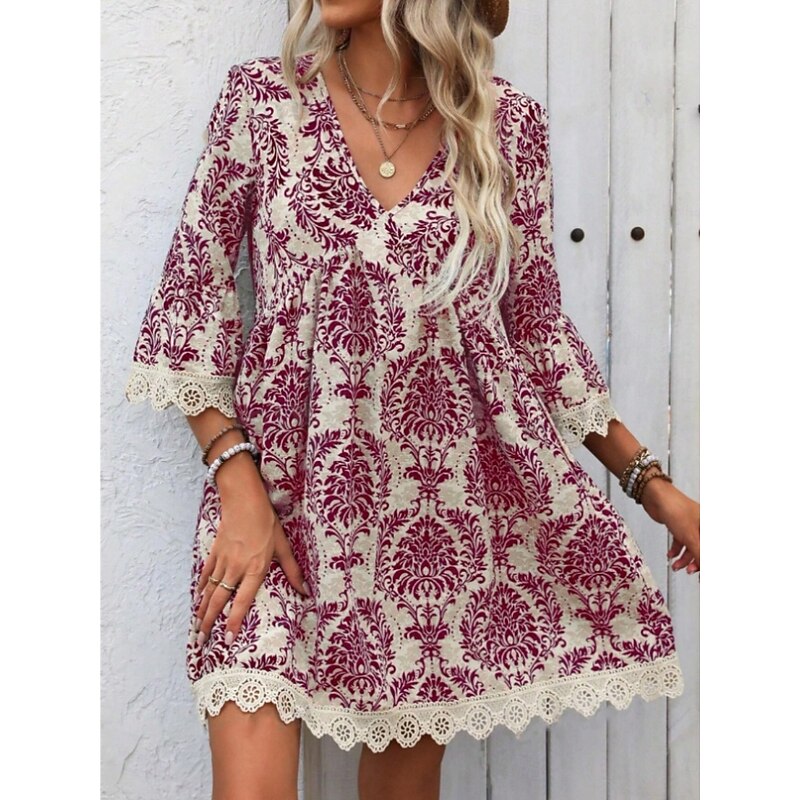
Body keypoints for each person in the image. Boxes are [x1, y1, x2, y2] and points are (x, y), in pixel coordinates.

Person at [123, 1, 700, 798]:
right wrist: (237, 484)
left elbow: (537, 331)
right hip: (273, 510)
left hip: (429, 533)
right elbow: (192, 302)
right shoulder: (262, 102)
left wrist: (652, 485)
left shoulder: (504, 128)